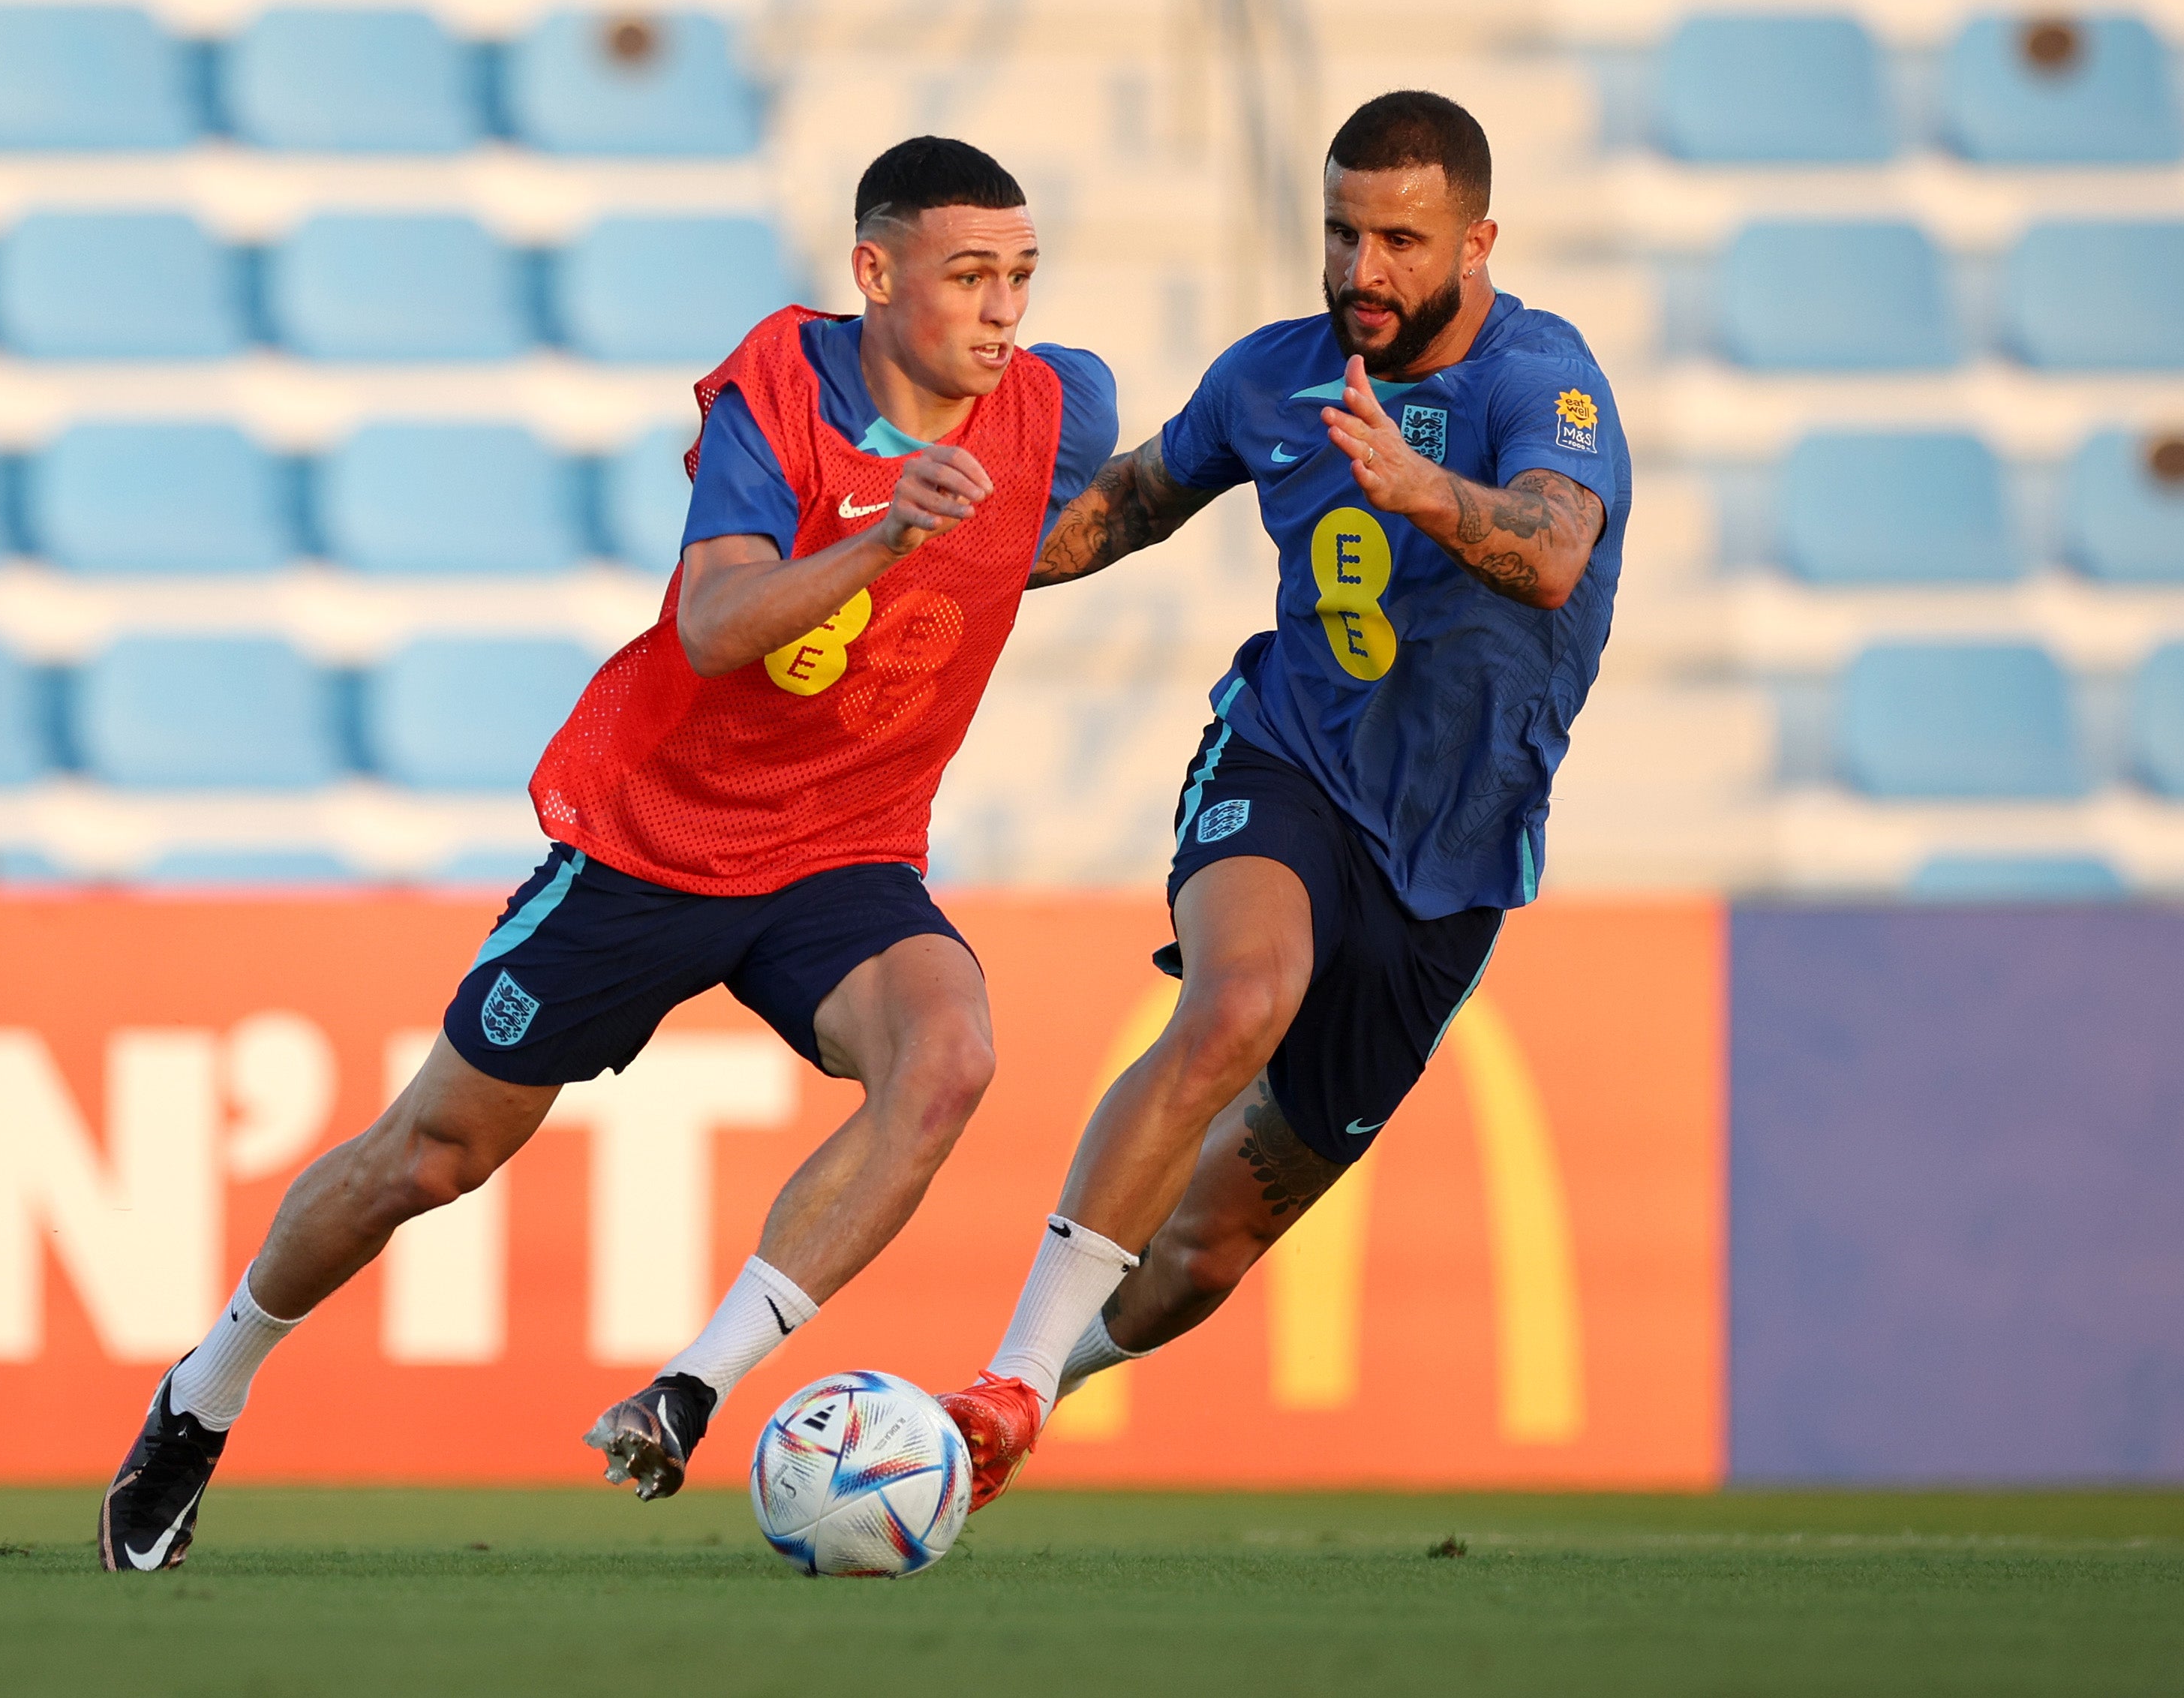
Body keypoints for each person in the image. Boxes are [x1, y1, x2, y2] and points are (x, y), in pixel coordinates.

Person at [100, 137, 1117, 1570]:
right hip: (656, 846)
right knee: (425, 1156)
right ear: (874, 274)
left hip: (842, 856)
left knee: (949, 1054)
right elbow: (714, 623)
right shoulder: (782, 386)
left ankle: (691, 1385)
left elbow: (1054, 531)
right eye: (968, 276)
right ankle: (203, 1393)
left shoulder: (1061, 404)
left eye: (1019, 274)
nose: (1003, 309)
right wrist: (890, 537)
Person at [934, 90, 1629, 1507]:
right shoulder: (1273, 374)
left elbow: (1554, 550)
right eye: (1339, 231)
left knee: (1208, 1253)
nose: (1361, 269)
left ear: (1477, 239)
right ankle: (1001, 1372)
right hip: (1291, 758)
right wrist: (936, 555)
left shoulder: (1540, 380)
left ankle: (1030, 1394)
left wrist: (1423, 488)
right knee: (1239, 995)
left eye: (1398, 239)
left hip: (1451, 855)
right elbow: (1124, 503)